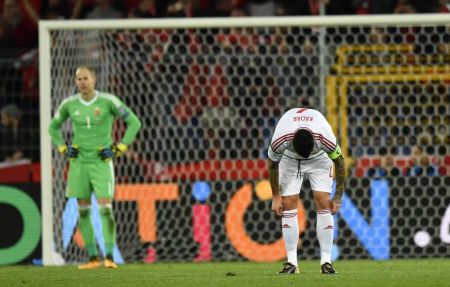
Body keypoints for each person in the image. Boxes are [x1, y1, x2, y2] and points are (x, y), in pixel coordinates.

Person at [48, 66, 142, 269]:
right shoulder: (69, 104)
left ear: (94, 80)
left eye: (85, 78)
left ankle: (109, 256)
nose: (82, 82)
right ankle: (92, 258)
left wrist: (120, 148)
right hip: (79, 163)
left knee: (105, 208)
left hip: (101, 162)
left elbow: (134, 122)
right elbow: (52, 127)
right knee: (83, 211)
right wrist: (63, 148)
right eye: (78, 79)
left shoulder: (109, 101)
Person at [268, 106, 346, 274]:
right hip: (290, 159)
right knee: (288, 203)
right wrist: (275, 196)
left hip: (319, 158)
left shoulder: (325, 137)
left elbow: (340, 161)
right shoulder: (280, 139)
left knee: (323, 200)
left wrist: (338, 197)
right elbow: (273, 165)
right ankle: (292, 263)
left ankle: (326, 262)